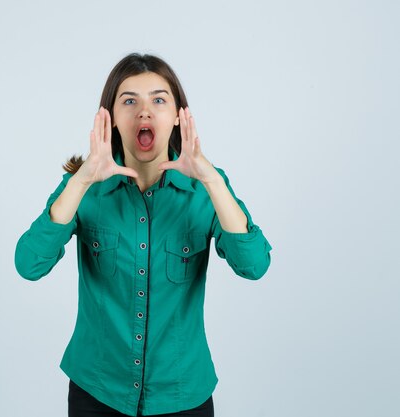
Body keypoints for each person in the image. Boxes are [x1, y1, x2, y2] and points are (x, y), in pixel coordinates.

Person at [14, 53, 272, 417]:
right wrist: (83, 177)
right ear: (112, 117)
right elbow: (29, 264)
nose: (144, 111)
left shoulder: (207, 190)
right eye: (129, 101)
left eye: (159, 99)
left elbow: (255, 265)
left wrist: (211, 178)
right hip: (97, 392)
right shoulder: (82, 187)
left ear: (179, 116)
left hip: (182, 395)